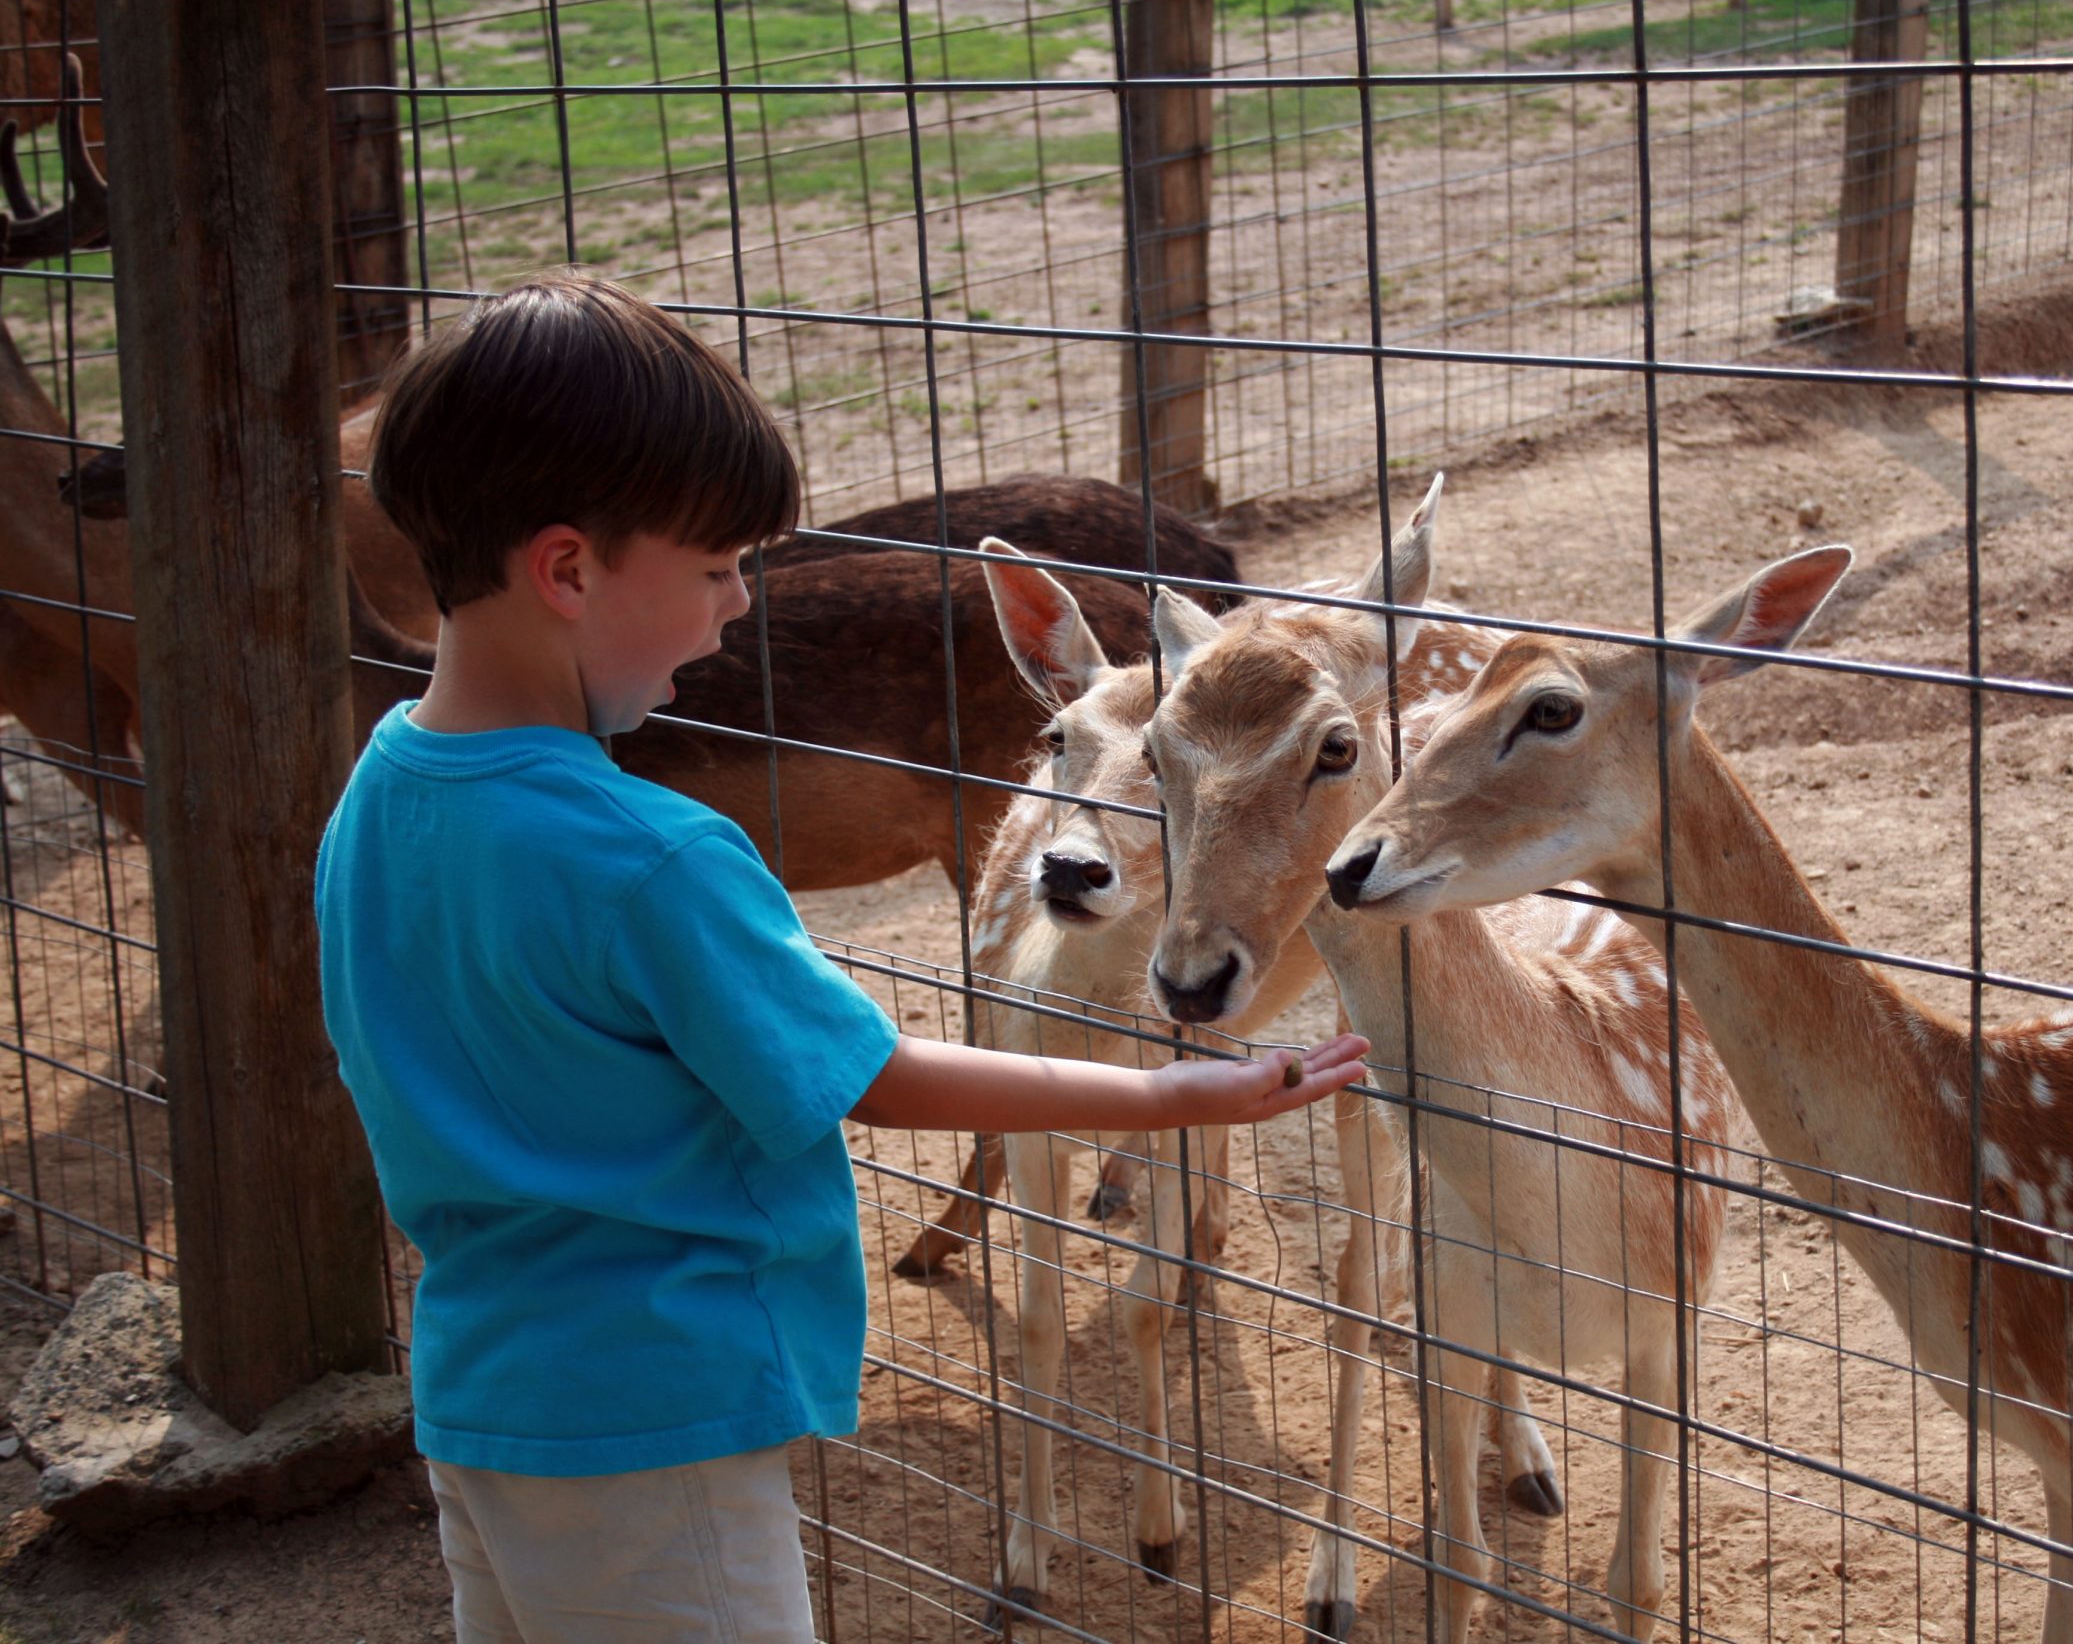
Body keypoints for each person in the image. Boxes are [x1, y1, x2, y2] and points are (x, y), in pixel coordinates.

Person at [314, 268, 1366, 1643]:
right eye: (716, 571)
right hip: (661, 1421)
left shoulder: (373, 800)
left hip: (483, 1400)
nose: (742, 609)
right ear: (568, 569)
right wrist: (1172, 1095)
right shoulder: (655, 857)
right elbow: (868, 1073)